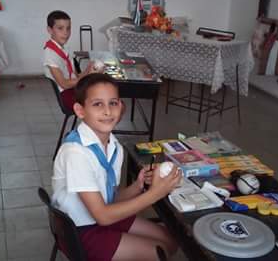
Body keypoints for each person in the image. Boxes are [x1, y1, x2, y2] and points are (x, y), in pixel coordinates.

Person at [52, 73, 182, 261]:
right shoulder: (76, 153)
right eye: (98, 104)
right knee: (157, 252)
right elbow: (103, 216)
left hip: (98, 217)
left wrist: (137, 186)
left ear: (121, 106)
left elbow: (109, 200)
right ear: (80, 111)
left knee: (170, 240)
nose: (107, 111)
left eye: (113, 103)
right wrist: (155, 193)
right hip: (79, 231)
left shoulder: (114, 146)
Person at [44, 10, 98, 111]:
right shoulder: (50, 54)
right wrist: (88, 75)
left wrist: (88, 70)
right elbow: (64, 84)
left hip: (74, 89)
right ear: (50, 30)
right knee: (102, 102)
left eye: (68, 28)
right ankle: (94, 125)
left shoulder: (64, 49)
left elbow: (76, 77)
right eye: (60, 28)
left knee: (103, 95)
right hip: (67, 95)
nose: (65, 32)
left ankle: (95, 125)